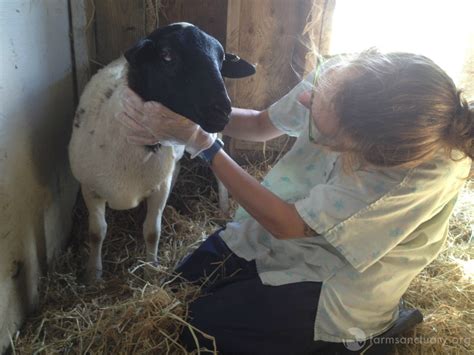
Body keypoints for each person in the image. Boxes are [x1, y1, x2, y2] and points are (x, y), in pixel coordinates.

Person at [117, 49, 473, 354]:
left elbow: (288, 225)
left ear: (361, 149)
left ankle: (365, 335)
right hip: (279, 226)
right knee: (173, 295)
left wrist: (202, 143)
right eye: (318, 91)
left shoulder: (414, 174)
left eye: (320, 123)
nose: (305, 99)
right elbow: (259, 124)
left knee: (197, 331)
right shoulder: (343, 79)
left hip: (340, 279)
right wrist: (185, 117)